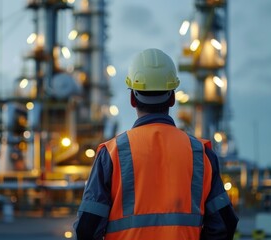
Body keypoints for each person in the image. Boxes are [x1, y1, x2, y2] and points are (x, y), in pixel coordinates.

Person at [74, 48, 238, 240]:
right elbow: (224, 224)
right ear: (172, 98)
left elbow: (86, 229)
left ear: (133, 99)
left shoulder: (112, 154)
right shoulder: (201, 154)